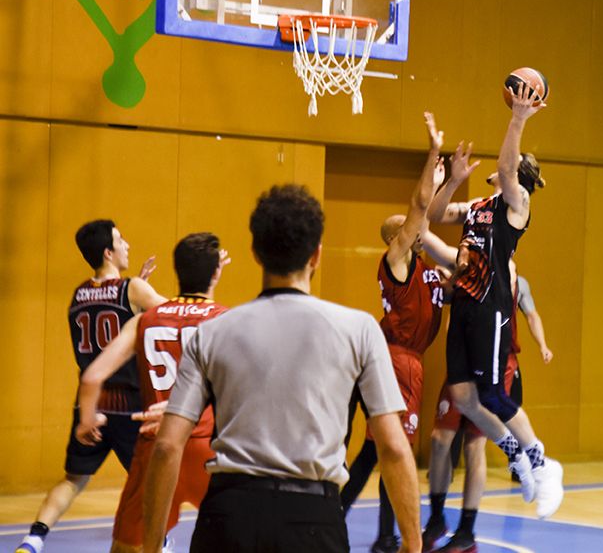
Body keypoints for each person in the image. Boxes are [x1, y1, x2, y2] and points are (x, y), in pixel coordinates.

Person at [142, 185, 422, 553]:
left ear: (255, 253)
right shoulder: (360, 329)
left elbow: (166, 447)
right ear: (317, 255)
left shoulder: (212, 334)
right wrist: (413, 544)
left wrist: (150, 548)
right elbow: (394, 448)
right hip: (313, 519)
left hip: (227, 517)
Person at [425, 83, 563, 520]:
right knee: (465, 398)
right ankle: (515, 453)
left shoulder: (517, 205)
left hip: (491, 309)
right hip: (463, 309)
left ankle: (543, 462)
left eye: (512, 165)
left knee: (493, 394)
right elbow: (433, 215)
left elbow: (507, 168)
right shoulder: (479, 206)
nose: (505, 167)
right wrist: (450, 182)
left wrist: (518, 118)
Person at [74, 232, 230, 553]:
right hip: (209, 449)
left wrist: (86, 419)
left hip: (155, 449)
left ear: (177, 271)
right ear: (216, 272)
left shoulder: (145, 319)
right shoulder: (227, 321)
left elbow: (92, 378)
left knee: (128, 548)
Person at [16, 220, 166, 553]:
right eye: (120, 239)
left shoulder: (79, 293)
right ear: (108, 252)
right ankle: (162, 543)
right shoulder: (133, 289)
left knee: (72, 480)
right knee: (153, 481)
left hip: (90, 404)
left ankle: (32, 541)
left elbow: (109, 310)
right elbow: (172, 314)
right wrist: (141, 290)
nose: (127, 244)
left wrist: (138, 289)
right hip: (129, 404)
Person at [340, 112, 445, 553]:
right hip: (396, 359)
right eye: (406, 229)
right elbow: (419, 211)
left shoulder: (428, 269)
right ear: (396, 238)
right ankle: (386, 536)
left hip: (409, 362)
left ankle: (353, 518)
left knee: (377, 450)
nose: (416, 230)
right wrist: (433, 154)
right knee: (392, 451)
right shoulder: (397, 265)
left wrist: (447, 183)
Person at [420, 237, 554, 552]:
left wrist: (543, 344)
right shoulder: (466, 270)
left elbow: (532, 315)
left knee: (474, 446)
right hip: (465, 363)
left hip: (498, 363)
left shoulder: (512, 276)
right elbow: (449, 293)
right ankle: (437, 517)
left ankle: (467, 530)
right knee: (440, 441)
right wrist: (448, 279)